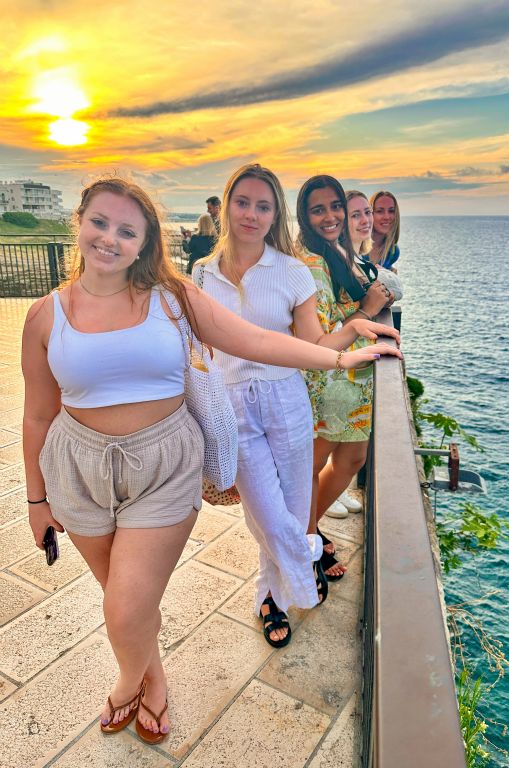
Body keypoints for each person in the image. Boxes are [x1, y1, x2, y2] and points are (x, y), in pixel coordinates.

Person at [21, 176, 399, 744]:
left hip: (164, 464)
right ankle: (153, 677)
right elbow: (37, 416)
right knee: (124, 597)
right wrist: (36, 500)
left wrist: (341, 358)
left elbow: (255, 340)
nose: (110, 238)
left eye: (127, 230)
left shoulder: (172, 296)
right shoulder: (44, 316)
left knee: (125, 607)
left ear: (144, 242)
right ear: (79, 223)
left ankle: (126, 685)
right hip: (78, 469)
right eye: (99, 222)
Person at [194, 163, 401, 647]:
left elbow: (314, 343)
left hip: (286, 400)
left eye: (263, 206)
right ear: (227, 206)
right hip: (233, 406)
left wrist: (352, 336)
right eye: (242, 202)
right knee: (266, 511)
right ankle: (305, 568)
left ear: (276, 214)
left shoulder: (290, 271)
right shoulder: (202, 273)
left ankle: (271, 596)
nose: (251, 214)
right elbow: (199, 350)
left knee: (289, 503)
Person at [296, 176, 397, 579]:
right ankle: (303, 546)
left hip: (352, 384)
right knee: (314, 464)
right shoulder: (311, 263)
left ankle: (307, 532)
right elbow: (322, 337)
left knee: (352, 459)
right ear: (303, 216)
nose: (331, 216)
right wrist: (368, 310)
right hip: (329, 381)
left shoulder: (335, 251)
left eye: (335, 206)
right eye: (318, 209)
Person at [368, 190, 401, 272]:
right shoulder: (356, 247)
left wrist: (390, 275)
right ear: (370, 214)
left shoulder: (393, 252)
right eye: (380, 211)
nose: (387, 217)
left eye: (391, 211)